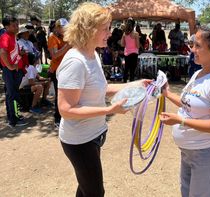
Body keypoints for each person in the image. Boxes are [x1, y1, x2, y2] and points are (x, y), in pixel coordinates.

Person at [57, 3, 150, 196]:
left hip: (94, 135)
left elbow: (103, 88)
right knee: (95, 192)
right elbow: (66, 110)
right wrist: (109, 111)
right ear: (89, 29)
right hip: (80, 141)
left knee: (85, 189)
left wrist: (137, 84)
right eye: (105, 29)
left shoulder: (92, 55)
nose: (110, 33)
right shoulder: (75, 62)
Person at [159, 15, 210, 197]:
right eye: (193, 44)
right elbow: (189, 104)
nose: (192, 49)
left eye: (198, 46)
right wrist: (167, 93)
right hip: (190, 152)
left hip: (208, 153)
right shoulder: (199, 74)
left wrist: (180, 121)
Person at [0, 16, 27, 128]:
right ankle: (13, 119)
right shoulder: (5, 37)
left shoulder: (12, 37)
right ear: (6, 26)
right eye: (14, 25)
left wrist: (21, 53)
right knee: (12, 95)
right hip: (10, 71)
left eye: (17, 24)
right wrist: (10, 66)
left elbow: (11, 52)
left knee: (12, 93)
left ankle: (13, 115)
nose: (17, 27)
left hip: (15, 70)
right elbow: (3, 52)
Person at [47, 18, 72, 128]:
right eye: (63, 28)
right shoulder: (52, 38)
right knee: (59, 95)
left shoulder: (64, 37)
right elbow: (54, 55)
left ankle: (65, 115)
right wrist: (67, 46)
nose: (65, 30)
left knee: (66, 94)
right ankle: (58, 118)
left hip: (65, 69)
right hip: (56, 70)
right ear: (57, 28)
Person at [121, 18, 139, 83]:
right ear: (134, 25)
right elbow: (137, 46)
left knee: (126, 69)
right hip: (134, 53)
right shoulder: (136, 34)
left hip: (127, 53)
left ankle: (124, 83)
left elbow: (122, 44)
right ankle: (131, 85)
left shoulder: (124, 34)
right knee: (132, 71)